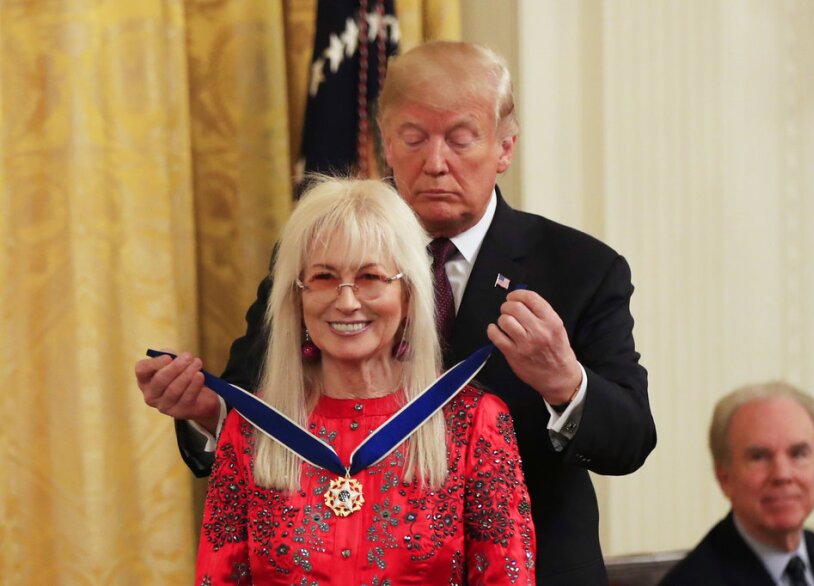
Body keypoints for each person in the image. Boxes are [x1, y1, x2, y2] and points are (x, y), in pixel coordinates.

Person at [136, 41, 656, 585]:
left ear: (505, 147)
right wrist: (203, 411)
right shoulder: (322, 254)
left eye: (460, 139)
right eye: (413, 138)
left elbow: (630, 442)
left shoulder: (579, 268)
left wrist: (565, 383)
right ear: (386, 142)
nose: (435, 162)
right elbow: (260, 403)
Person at [190, 177, 535, 583]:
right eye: (323, 277)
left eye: (371, 277)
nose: (347, 300)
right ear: (296, 299)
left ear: (408, 296)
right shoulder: (252, 429)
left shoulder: (474, 423)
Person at [660, 381, 814, 586]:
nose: (782, 474)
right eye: (759, 457)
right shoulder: (691, 580)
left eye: (798, 454)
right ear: (724, 476)